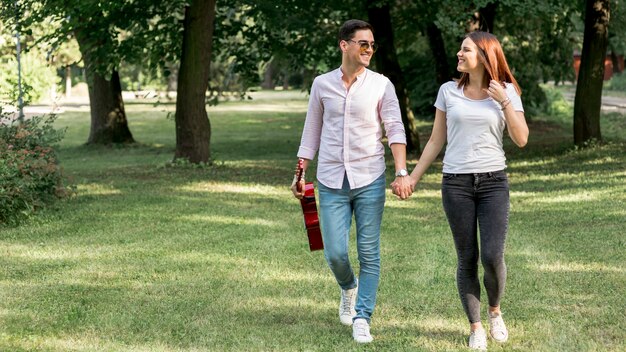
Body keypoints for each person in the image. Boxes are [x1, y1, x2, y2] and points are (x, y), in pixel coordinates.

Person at [398, 31, 529, 350]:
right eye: (460, 49)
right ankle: (476, 327)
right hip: (456, 183)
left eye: (465, 50)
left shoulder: (507, 91)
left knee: (493, 255)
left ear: (484, 57)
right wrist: (412, 177)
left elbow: (522, 138)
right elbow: (435, 139)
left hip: (493, 182)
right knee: (467, 257)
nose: (458, 54)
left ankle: (495, 311)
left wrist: (505, 101)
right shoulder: (448, 91)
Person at [291, 19, 412, 343]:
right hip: (331, 180)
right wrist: (300, 173)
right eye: (363, 44)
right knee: (335, 253)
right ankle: (348, 287)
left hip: (369, 178)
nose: (369, 49)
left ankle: (363, 316)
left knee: (369, 252)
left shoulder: (381, 85)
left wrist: (401, 171)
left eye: (372, 45)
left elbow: (395, 129)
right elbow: (311, 132)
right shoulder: (322, 84)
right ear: (344, 45)